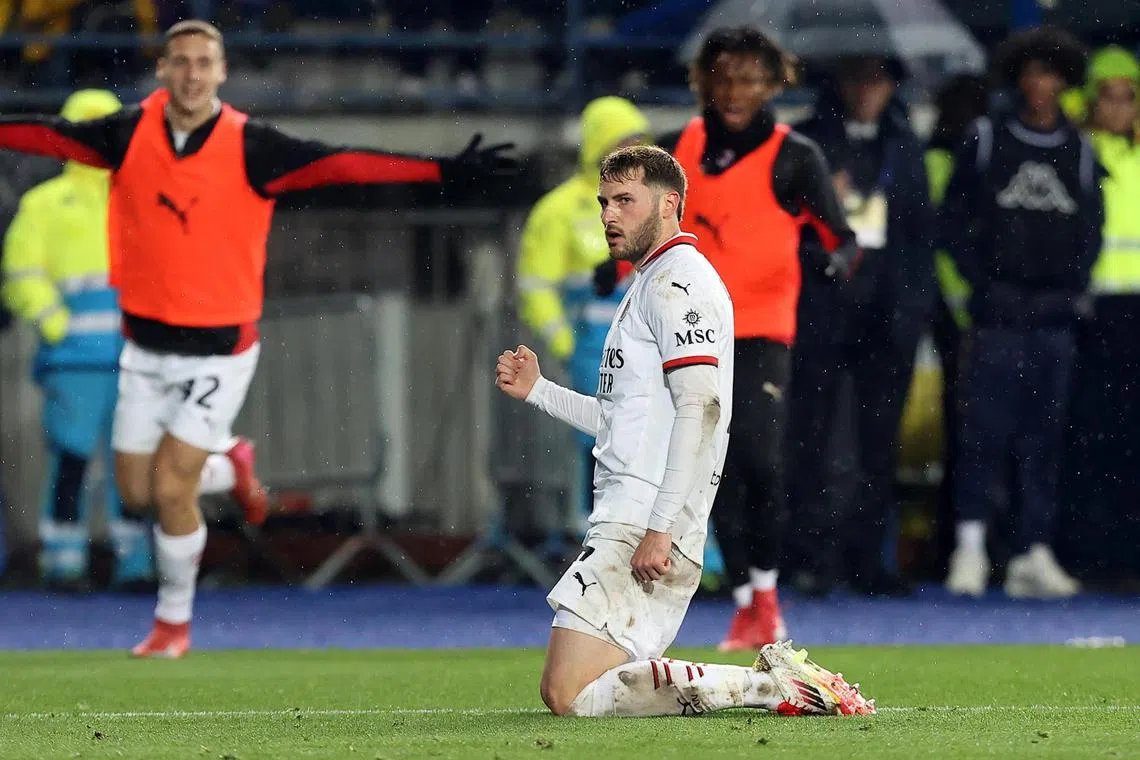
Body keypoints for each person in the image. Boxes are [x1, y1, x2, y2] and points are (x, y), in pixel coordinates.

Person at [0, 19, 515, 656]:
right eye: (180, 61)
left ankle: (172, 625)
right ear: (162, 70)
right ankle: (229, 464)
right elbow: (48, 135)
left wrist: (439, 170)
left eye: (204, 62)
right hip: (145, 350)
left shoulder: (251, 146)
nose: (192, 73)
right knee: (136, 493)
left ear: (221, 72)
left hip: (220, 350)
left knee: (170, 489)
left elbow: (338, 162)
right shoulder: (127, 134)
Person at [495, 144, 874, 719]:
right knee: (578, 692)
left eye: (625, 200)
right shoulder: (648, 282)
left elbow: (701, 407)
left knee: (566, 693)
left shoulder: (678, 284)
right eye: (603, 202)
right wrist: (541, 391)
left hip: (644, 519)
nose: (608, 215)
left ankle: (768, 686)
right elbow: (622, 423)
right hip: (633, 515)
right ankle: (769, 686)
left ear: (669, 203)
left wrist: (661, 527)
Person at [653, 26, 860, 649]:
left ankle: (766, 597)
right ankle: (745, 600)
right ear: (703, 82)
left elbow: (842, 238)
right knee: (709, 468)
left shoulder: (794, 156)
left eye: (749, 79)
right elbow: (649, 226)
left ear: (773, 84)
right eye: (722, 77)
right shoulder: (677, 149)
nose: (734, 90)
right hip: (690, 330)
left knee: (761, 461)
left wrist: (835, 262)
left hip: (763, 327)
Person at [941, 26, 1100, 598]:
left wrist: (1069, 291)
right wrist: (982, 285)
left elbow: (1091, 228)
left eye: (1051, 74)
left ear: (1065, 82)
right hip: (997, 314)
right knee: (983, 433)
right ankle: (971, 547)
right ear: (1018, 79)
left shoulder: (1080, 148)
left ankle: (1032, 551)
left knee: (1044, 438)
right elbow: (952, 219)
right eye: (1031, 73)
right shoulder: (987, 138)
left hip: (1053, 316)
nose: (1040, 85)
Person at [788, 55, 936, 597]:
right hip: (821, 309)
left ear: (893, 84)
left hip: (887, 315)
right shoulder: (806, 143)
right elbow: (785, 224)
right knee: (811, 440)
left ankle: (867, 559)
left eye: (878, 79)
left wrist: (913, 308)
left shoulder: (905, 145)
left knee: (879, 443)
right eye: (856, 76)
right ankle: (809, 557)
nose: (867, 89)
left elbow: (920, 233)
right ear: (838, 80)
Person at [1, 88, 155, 590]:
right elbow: (21, 270)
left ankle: (135, 564)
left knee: (131, 463)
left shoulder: (141, 199)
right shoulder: (45, 204)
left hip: (133, 359)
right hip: (75, 361)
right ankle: (63, 563)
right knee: (72, 460)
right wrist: (54, 323)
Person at [516, 96, 649, 532]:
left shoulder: (652, 203)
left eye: (638, 141)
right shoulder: (559, 210)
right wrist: (566, 344)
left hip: (652, 346)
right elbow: (535, 285)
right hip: (594, 348)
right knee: (601, 442)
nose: (632, 151)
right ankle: (596, 536)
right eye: (622, 142)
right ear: (598, 146)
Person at [1060, 47, 1140, 579]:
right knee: (1092, 436)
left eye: (1126, 96)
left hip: (1135, 310)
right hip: (1095, 311)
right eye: (1106, 96)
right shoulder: (1080, 152)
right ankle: (1093, 553)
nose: (1116, 106)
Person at [924, 73, 990, 577]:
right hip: (954, 312)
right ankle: (951, 540)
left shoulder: (963, 158)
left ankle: (954, 540)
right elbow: (941, 239)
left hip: (959, 310)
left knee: (968, 430)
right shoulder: (952, 161)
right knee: (968, 430)